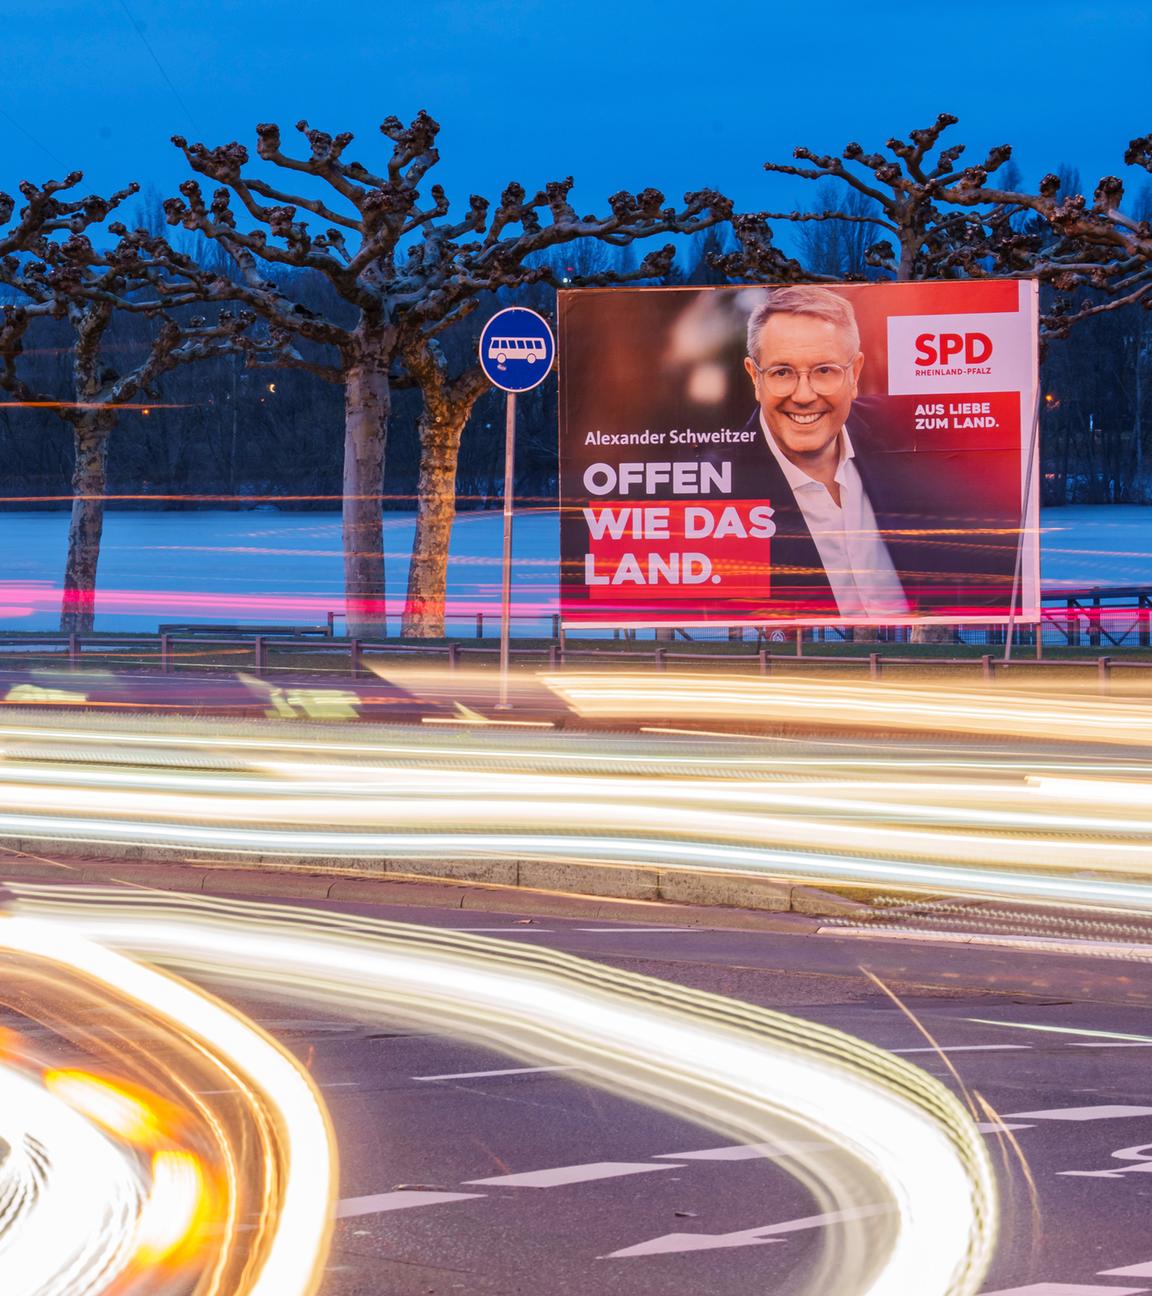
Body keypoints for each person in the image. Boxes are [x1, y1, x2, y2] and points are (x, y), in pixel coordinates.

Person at [740, 285, 911, 619]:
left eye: (824, 370)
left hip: (917, 659)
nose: (804, 395)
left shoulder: (908, 430)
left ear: (855, 373)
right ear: (754, 377)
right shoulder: (718, 482)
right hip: (807, 660)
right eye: (782, 372)